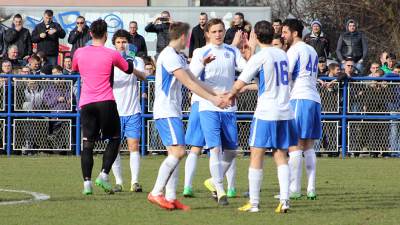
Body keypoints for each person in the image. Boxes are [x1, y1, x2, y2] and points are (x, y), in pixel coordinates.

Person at [147, 21, 227, 211]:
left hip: (172, 110)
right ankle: (156, 192)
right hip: (166, 110)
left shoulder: (179, 56)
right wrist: (213, 100)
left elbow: (193, 78)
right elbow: (189, 84)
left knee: (174, 154)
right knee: (179, 152)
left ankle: (171, 197)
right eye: (188, 36)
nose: (189, 40)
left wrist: (218, 94)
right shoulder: (168, 55)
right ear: (182, 36)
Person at [227, 20, 296, 213]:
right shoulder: (282, 54)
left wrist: (228, 96)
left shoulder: (261, 56)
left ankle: (254, 203)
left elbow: (241, 80)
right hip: (285, 111)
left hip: (267, 111)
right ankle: (284, 200)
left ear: (256, 36)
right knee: (280, 155)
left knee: (256, 155)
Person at [71, 19, 137, 195]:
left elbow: (74, 68)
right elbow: (129, 69)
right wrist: (129, 56)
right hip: (106, 101)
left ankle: (87, 184)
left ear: (90, 34)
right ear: (106, 35)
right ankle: (104, 174)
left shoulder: (79, 52)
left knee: (88, 144)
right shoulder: (111, 53)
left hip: (86, 102)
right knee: (115, 138)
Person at [190, 18, 247, 206]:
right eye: (214, 31)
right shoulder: (200, 52)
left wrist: (236, 90)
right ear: (207, 33)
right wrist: (202, 64)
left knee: (230, 151)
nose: (218, 34)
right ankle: (220, 190)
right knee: (215, 149)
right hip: (209, 106)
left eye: (220, 31)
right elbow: (190, 78)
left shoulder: (232, 51)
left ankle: (214, 180)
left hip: (229, 106)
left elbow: (246, 72)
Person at [281, 19, 321, 200]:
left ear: (294, 33)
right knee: (309, 146)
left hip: (299, 98)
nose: (283, 35)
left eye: (285, 32)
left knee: (295, 145)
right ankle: (311, 188)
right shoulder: (312, 49)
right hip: (314, 99)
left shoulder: (294, 50)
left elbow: (287, 77)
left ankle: (294, 189)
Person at [109, 29, 149, 193]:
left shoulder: (137, 59)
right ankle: (118, 181)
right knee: (114, 147)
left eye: (124, 41)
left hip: (133, 109)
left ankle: (135, 182)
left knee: (134, 146)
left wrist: (129, 65)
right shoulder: (110, 59)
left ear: (128, 43)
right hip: (113, 110)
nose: (121, 44)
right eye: (118, 42)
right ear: (114, 44)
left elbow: (144, 76)